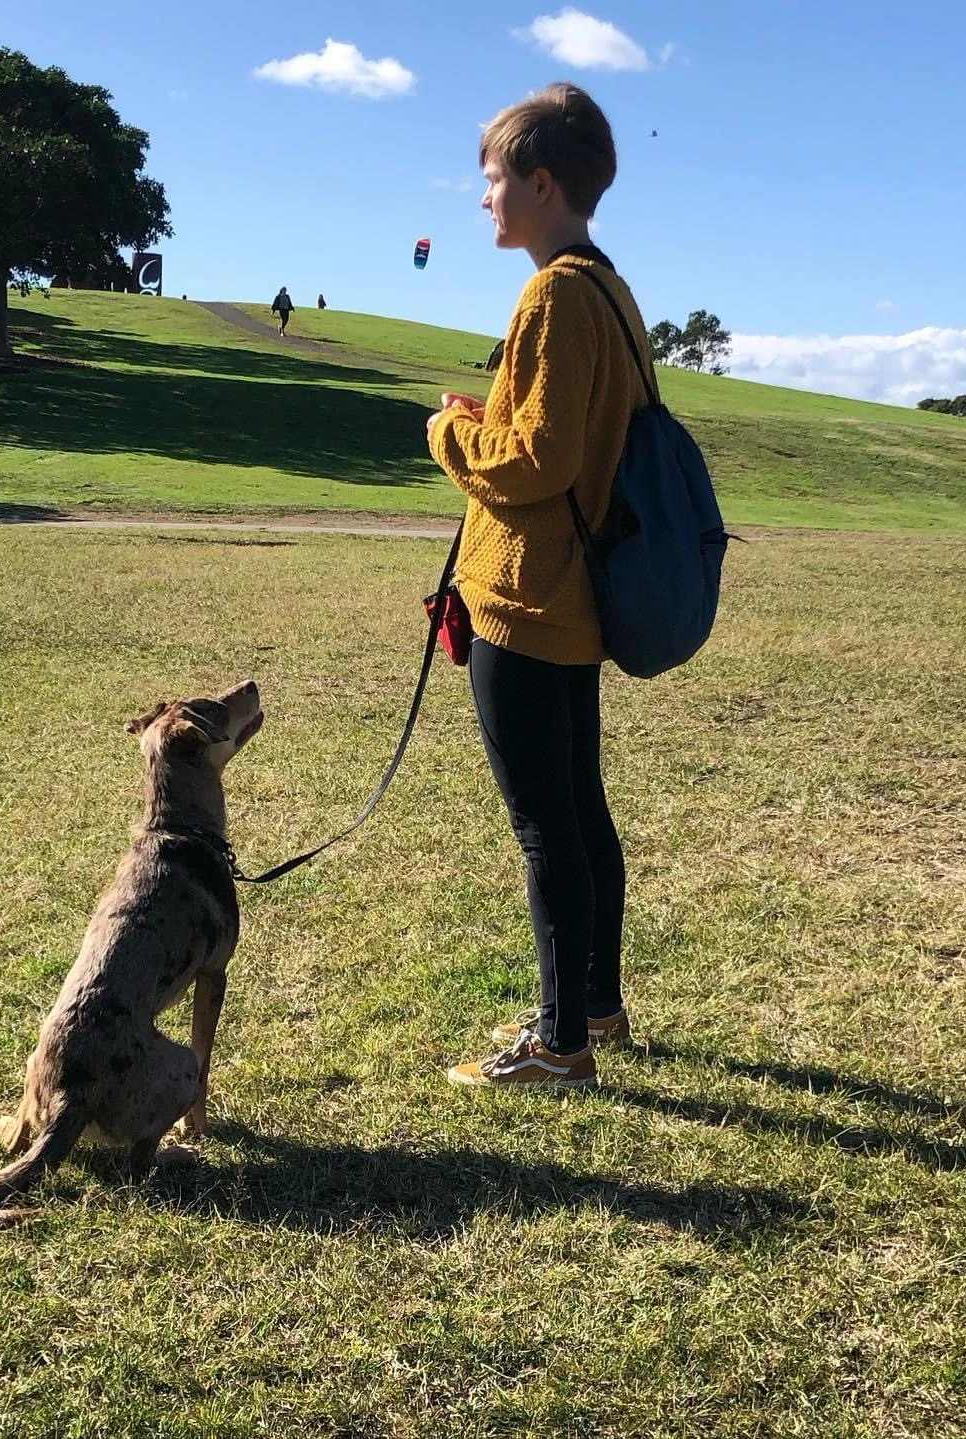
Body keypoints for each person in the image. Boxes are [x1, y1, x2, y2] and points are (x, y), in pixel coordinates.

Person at [425, 82, 658, 1090]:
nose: (483, 198)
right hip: (574, 594)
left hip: (526, 598)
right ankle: (595, 1010)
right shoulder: (607, 286)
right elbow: (564, 436)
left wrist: (449, 431)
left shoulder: (556, 291)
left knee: (545, 828)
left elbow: (537, 460)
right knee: (580, 811)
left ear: (541, 180)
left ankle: (560, 1041)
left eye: (493, 178)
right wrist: (497, 416)